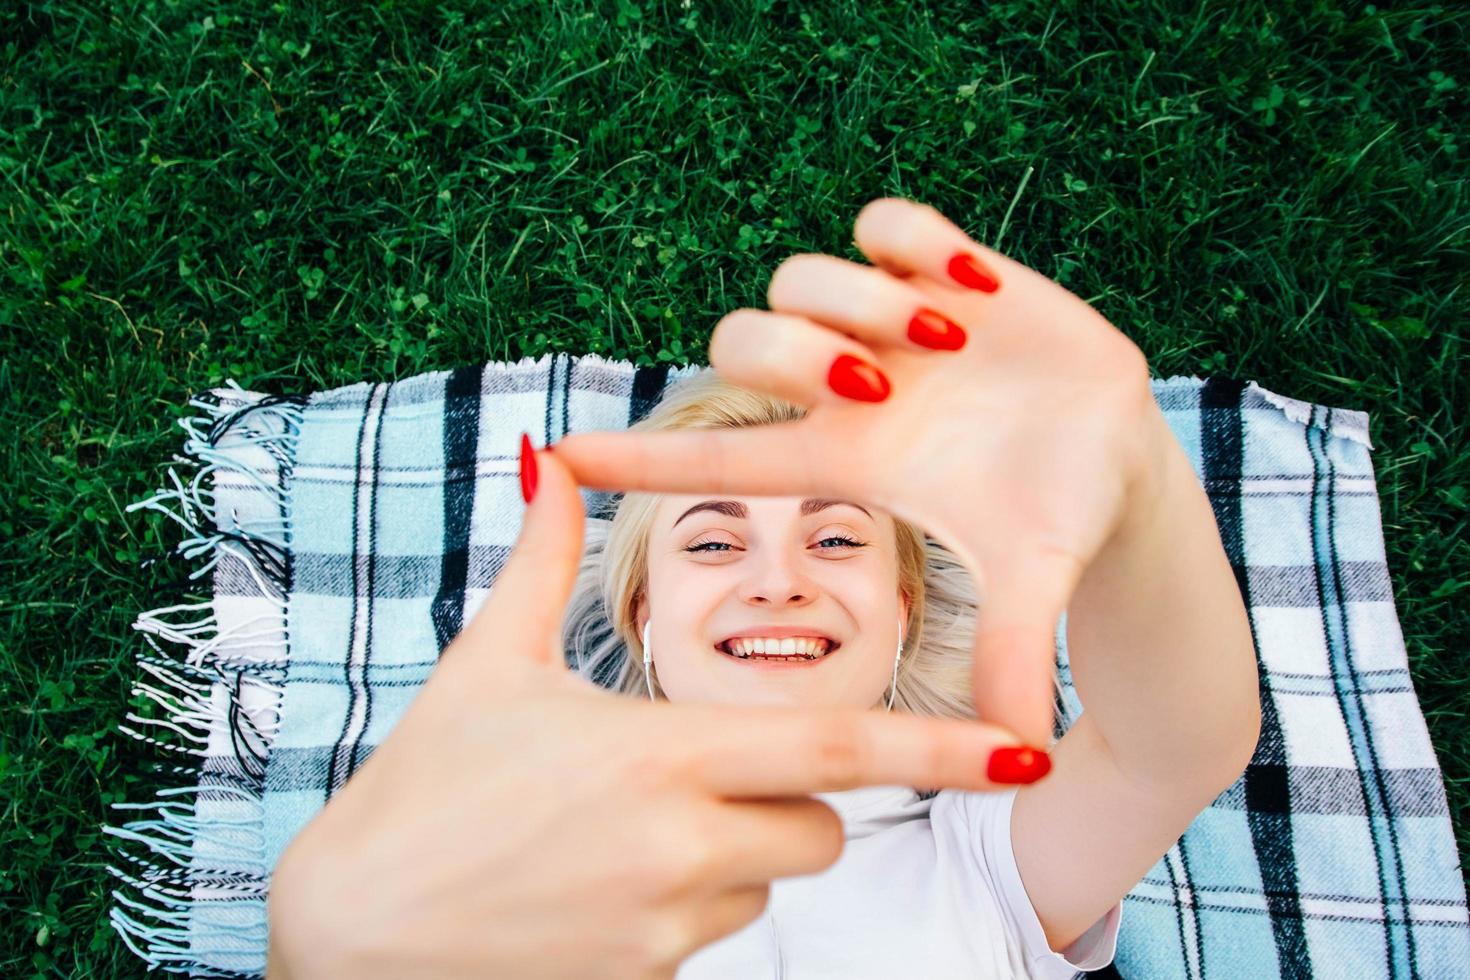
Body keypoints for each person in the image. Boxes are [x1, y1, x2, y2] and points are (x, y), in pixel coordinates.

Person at [266, 197, 1261, 978]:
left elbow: (1175, 744)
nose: (779, 580)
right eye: (710, 544)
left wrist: (1136, 468)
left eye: (834, 535)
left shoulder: (987, 855)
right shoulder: (516, 872)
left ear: (903, 613)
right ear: (644, 619)